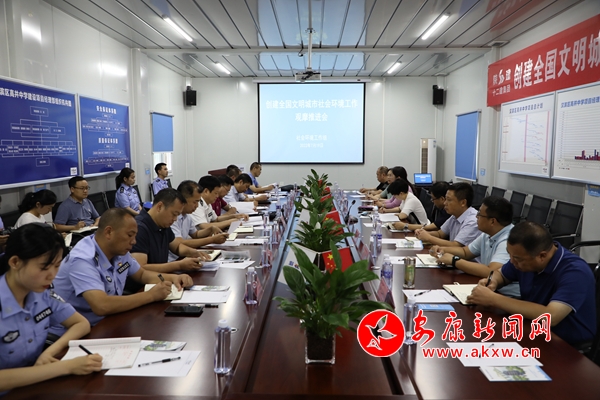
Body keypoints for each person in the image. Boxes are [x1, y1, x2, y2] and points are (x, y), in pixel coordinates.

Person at [50, 208, 192, 333]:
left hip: (107, 322)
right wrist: (151, 296)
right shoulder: (83, 259)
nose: (134, 241)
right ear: (109, 232)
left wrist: (173, 278)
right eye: (130, 235)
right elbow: (101, 305)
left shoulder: (119, 251)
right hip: (74, 334)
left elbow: (142, 274)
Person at [0, 224, 102, 394]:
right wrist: (66, 367)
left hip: (35, 386)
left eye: (57, 266)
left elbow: (81, 323)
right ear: (15, 262)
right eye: (44, 268)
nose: (52, 275)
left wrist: (49, 352)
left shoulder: (41, 293)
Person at [467, 221, 596, 348]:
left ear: (542, 256)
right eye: (510, 255)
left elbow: (551, 316)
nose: (512, 262)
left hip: (567, 344)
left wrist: (493, 299)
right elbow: (501, 275)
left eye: (517, 258)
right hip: (531, 330)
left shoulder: (575, 272)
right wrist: (492, 282)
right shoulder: (524, 259)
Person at [131, 188, 209, 275]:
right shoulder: (139, 228)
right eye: (174, 214)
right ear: (160, 207)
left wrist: (193, 252)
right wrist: (179, 265)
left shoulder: (162, 223)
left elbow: (177, 247)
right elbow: (140, 268)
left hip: (161, 277)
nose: (175, 219)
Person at [431, 196, 514, 277]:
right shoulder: (488, 233)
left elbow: (492, 272)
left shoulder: (509, 240)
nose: (476, 217)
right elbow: (465, 252)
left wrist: (454, 261)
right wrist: (442, 249)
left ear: (492, 221)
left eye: (480, 214)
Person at [169, 181, 228, 261]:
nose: (197, 206)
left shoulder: (187, 216)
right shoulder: (172, 218)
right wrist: (212, 240)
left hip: (183, 257)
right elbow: (180, 242)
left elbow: (195, 234)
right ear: (183, 199)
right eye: (195, 202)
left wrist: (210, 229)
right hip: (174, 260)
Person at [415, 182, 480, 248]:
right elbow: (440, 234)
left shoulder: (473, 221)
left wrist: (429, 238)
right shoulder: (455, 215)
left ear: (463, 202)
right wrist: (423, 233)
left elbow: (456, 245)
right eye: (445, 199)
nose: (445, 203)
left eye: (449, 200)